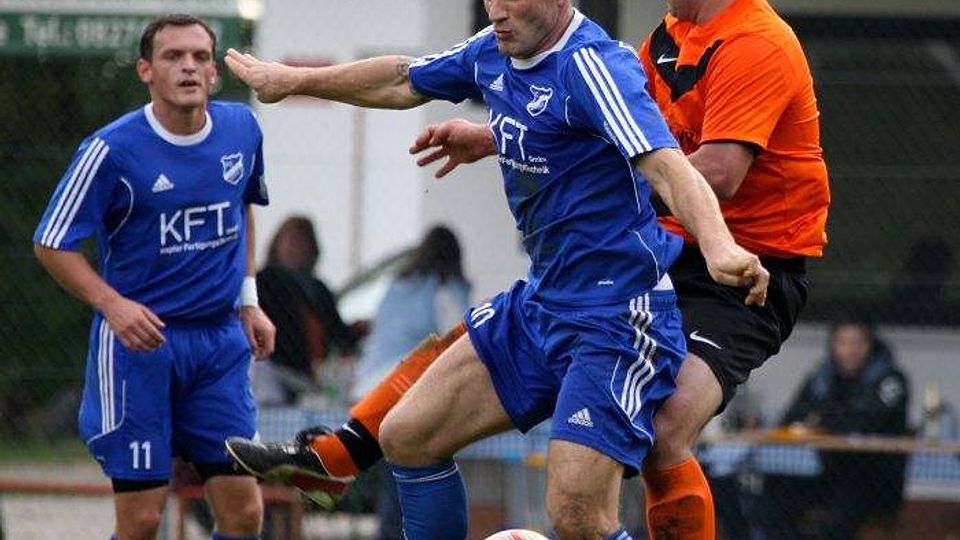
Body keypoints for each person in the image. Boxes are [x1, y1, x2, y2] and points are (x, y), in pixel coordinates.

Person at [242, 0, 829, 538]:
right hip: (554, 297)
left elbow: (679, 168)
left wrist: (721, 247)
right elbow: (403, 78)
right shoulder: (531, 46)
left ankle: (334, 458)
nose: (495, 8)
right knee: (407, 435)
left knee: (595, 495)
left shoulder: (634, 58)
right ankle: (337, 456)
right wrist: (292, 80)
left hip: (654, 299)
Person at [32, 14, 273, 540]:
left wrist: (248, 299)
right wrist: (112, 305)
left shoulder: (242, 129)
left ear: (214, 72)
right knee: (142, 520)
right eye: (173, 56)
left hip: (218, 346)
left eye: (200, 57)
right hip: (141, 346)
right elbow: (51, 242)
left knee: (244, 514)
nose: (189, 66)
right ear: (145, 70)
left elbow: (242, 207)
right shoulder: (111, 150)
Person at [354, 225, 471, 540]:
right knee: (408, 491)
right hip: (404, 392)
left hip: (368, 393)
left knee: (393, 488)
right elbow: (459, 343)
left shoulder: (398, 285)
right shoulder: (445, 288)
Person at [760, 320, 909, 540]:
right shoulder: (823, 378)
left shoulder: (890, 380)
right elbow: (791, 418)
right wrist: (828, 420)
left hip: (874, 482)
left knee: (835, 521)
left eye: (857, 342)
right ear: (833, 345)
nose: (850, 350)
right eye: (843, 342)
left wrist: (822, 419)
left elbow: (865, 423)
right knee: (775, 491)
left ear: (870, 345)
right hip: (829, 475)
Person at [254, 215, 364, 405]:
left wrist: (356, 331)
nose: (297, 248)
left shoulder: (318, 289)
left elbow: (337, 332)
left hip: (313, 374)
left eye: (304, 242)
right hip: (276, 369)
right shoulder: (264, 282)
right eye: (292, 241)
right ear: (277, 245)